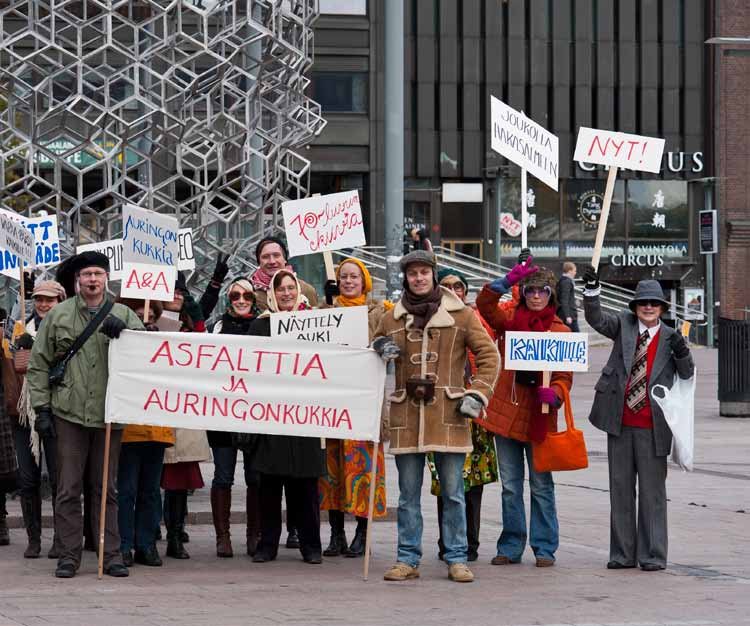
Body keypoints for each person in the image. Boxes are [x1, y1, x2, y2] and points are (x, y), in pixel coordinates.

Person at [373, 250, 499, 583]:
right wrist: (380, 346)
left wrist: (476, 394)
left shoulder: (461, 315)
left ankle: (457, 557)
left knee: (454, 492)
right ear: (406, 278)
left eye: (424, 272)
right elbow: (371, 342)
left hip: (450, 413)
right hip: (406, 416)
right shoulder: (391, 317)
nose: (418, 278)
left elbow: (489, 355)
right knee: (408, 495)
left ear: (432, 274)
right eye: (412, 273)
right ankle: (407, 558)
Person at [26, 251, 144, 579]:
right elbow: (38, 364)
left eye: (98, 274)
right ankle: (68, 555)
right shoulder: (59, 316)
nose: (92, 280)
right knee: (67, 488)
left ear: (107, 278)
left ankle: (111, 555)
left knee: (106, 489)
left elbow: (147, 357)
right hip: (68, 414)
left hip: (109, 414)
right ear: (78, 280)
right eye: (86, 274)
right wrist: (43, 408)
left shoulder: (123, 313)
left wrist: (133, 334)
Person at [582, 267, 694, 572]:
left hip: (655, 427)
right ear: (634, 306)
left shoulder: (672, 338)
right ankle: (621, 554)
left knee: (653, 494)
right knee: (620, 489)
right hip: (619, 421)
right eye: (643, 302)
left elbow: (686, 374)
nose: (648, 307)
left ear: (661, 308)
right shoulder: (623, 324)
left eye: (653, 303)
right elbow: (595, 319)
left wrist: (683, 353)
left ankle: (653, 555)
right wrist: (592, 291)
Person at [476, 251, 573, 568]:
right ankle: (511, 545)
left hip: (540, 417)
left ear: (550, 295)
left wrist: (555, 393)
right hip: (507, 415)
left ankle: (544, 548)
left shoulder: (560, 332)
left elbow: (564, 377)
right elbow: (485, 306)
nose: (535, 296)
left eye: (541, 291)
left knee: (542, 486)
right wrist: (507, 280)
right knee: (510, 487)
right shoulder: (509, 322)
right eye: (529, 290)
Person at [247, 269, 325, 564]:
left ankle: (311, 545)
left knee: (305, 487)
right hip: (271, 416)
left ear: (299, 290)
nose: (287, 294)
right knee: (269, 486)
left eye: (291, 288)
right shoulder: (260, 327)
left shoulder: (316, 324)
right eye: (281, 289)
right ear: (272, 294)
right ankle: (267, 545)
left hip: (306, 415)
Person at [318, 258, 389, 558]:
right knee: (331, 471)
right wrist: (326, 305)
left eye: (354, 277)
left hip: (363, 402)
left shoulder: (379, 312)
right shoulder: (324, 313)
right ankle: (336, 534)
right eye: (343, 276)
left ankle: (362, 532)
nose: (348, 281)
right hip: (332, 402)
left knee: (362, 471)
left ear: (364, 282)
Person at [426, 270, 498, 563]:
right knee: (446, 482)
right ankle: (447, 543)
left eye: (459, 286)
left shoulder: (475, 321)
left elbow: (489, 358)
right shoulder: (429, 323)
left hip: (473, 416)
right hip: (441, 413)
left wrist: (479, 393)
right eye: (446, 286)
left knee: (473, 485)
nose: (453, 291)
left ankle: (470, 543)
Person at [115, 299, 175, 567]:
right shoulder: (119, 342)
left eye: (149, 315)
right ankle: (125, 545)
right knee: (126, 491)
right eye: (138, 315)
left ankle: (146, 544)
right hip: (128, 430)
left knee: (150, 492)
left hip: (157, 429)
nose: (144, 319)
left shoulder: (167, 344)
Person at [12, 280, 67, 559]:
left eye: (49, 300)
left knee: (59, 477)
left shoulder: (68, 327)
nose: (43, 304)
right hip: (26, 410)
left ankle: (60, 538)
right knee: (27, 478)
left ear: (60, 301)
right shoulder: (22, 327)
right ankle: (34, 539)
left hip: (58, 408)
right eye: (39, 299)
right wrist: (18, 348)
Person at [160, 272, 210, 560]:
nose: (177, 295)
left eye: (181, 291)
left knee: (179, 482)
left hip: (186, 413)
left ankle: (176, 535)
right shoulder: (149, 323)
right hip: (157, 412)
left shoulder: (194, 325)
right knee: (152, 481)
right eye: (171, 291)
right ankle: (151, 529)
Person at [210, 278, 261, 558]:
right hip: (222, 411)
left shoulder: (265, 325)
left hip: (256, 412)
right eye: (236, 295)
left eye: (247, 295)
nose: (242, 300)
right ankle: (223, 537)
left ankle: (254, 534)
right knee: (223, 475)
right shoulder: (218, 326)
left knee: (255, 476)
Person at [250, 236, 318, 312]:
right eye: (265, 257)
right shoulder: (249, 294)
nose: (272, 261)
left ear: (285, 259)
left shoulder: (306, 290)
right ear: (259, 262)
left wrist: (330, 298)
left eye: (276, 255)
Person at [556, 262, 579, 332]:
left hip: (566, 314)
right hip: (569, 316)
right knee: (577, 337)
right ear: (569, 271)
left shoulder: (562, 281)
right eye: (574, 271)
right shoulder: (566, 282)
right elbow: (564, 299)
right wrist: (567, 316)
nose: (575, 273)